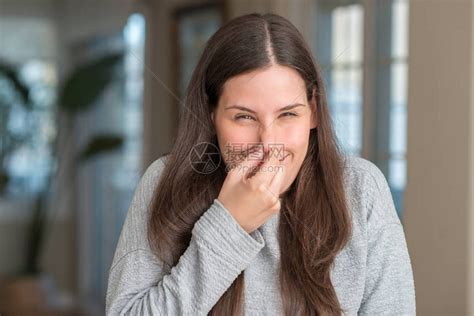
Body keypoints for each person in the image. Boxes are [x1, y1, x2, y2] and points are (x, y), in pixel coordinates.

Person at [106, 13, 415, 315]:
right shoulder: (164, 182)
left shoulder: (361, 190)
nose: (267, 143)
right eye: (244, 116)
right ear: (212, 115)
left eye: (288, 114)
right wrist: (229, 225)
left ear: (314, 112)